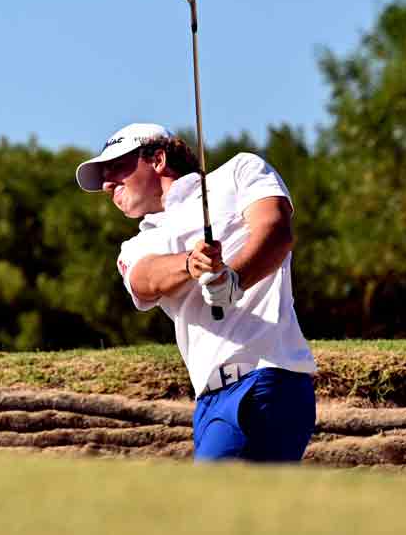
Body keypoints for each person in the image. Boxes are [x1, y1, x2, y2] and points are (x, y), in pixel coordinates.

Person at [75, 122, 318, 462]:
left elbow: (276, 230)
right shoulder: (137, 244)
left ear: (158, 159)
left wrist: (235, 279)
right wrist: (191, 263)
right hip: (209, 402)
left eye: (116, 167)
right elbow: (146, 280)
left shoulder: (239, 171)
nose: (106, 184)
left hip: (265, 377)